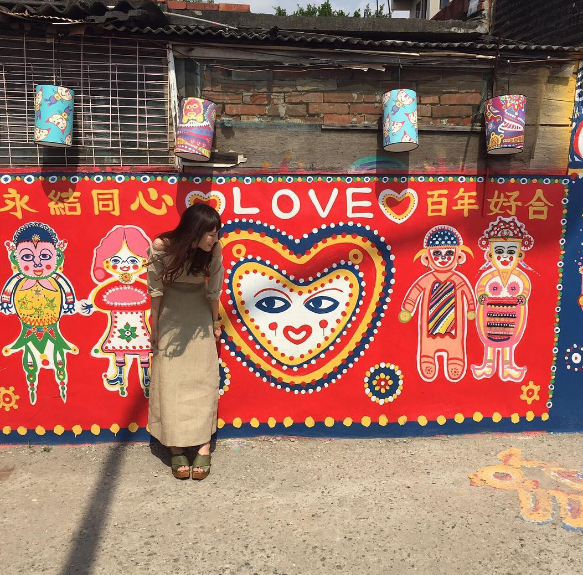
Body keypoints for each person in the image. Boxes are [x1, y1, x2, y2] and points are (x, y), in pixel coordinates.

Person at [146, 203, 224, 480]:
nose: (215, 239)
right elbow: (155, 289)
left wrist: (215, 323)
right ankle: (175, 446)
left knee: (202, 376)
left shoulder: (213, 250)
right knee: (170, 379)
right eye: (211, 234)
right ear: (196, 230)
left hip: (199, 312)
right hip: (170, 313)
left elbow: (214, 290)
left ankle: (203, 444)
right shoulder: (162, 247)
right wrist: (155, 325)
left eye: (216, 233)